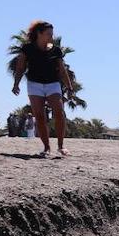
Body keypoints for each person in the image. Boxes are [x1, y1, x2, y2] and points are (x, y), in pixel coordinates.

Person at [10, 20, 74, 157]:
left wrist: (69, 86)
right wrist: (16, 84)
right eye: (48, 34)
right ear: (39, 34)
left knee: (59, 112)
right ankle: (46, 148)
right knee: (39, 116)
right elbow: (20, 67)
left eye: (52, 33)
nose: (52, 36)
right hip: (34, 84)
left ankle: (61, 146)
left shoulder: (56, 50)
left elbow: (62, 71)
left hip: (53, 84)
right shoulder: (27, 49)